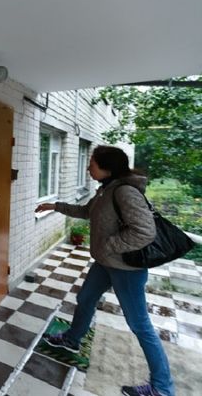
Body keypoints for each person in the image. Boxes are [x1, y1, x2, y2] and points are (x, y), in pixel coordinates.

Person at [35, 145, 175, 396]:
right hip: (105, 264)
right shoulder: (106, 189)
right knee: (86, 298)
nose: (88, 168)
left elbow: (144, 231)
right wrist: (54, 206)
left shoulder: (124, 192)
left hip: (126, 269)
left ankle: (162, 388)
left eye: (92, 164)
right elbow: (86, 211)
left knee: (139, 324)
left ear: (107, 168)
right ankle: (72, 340)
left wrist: (109, 246)